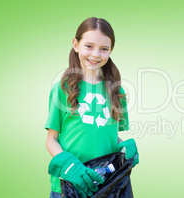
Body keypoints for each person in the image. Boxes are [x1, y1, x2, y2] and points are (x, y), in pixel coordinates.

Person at [45, 17, 139, 198]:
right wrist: (70, 166)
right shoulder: (63, 88)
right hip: (68, 183)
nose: (96, 54)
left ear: (111, 50)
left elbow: (109, 136)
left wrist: (125, 148)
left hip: (107, 182)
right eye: (89, 46)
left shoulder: (116, 91)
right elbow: (51, 139)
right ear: (76, 44)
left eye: (104, 49)